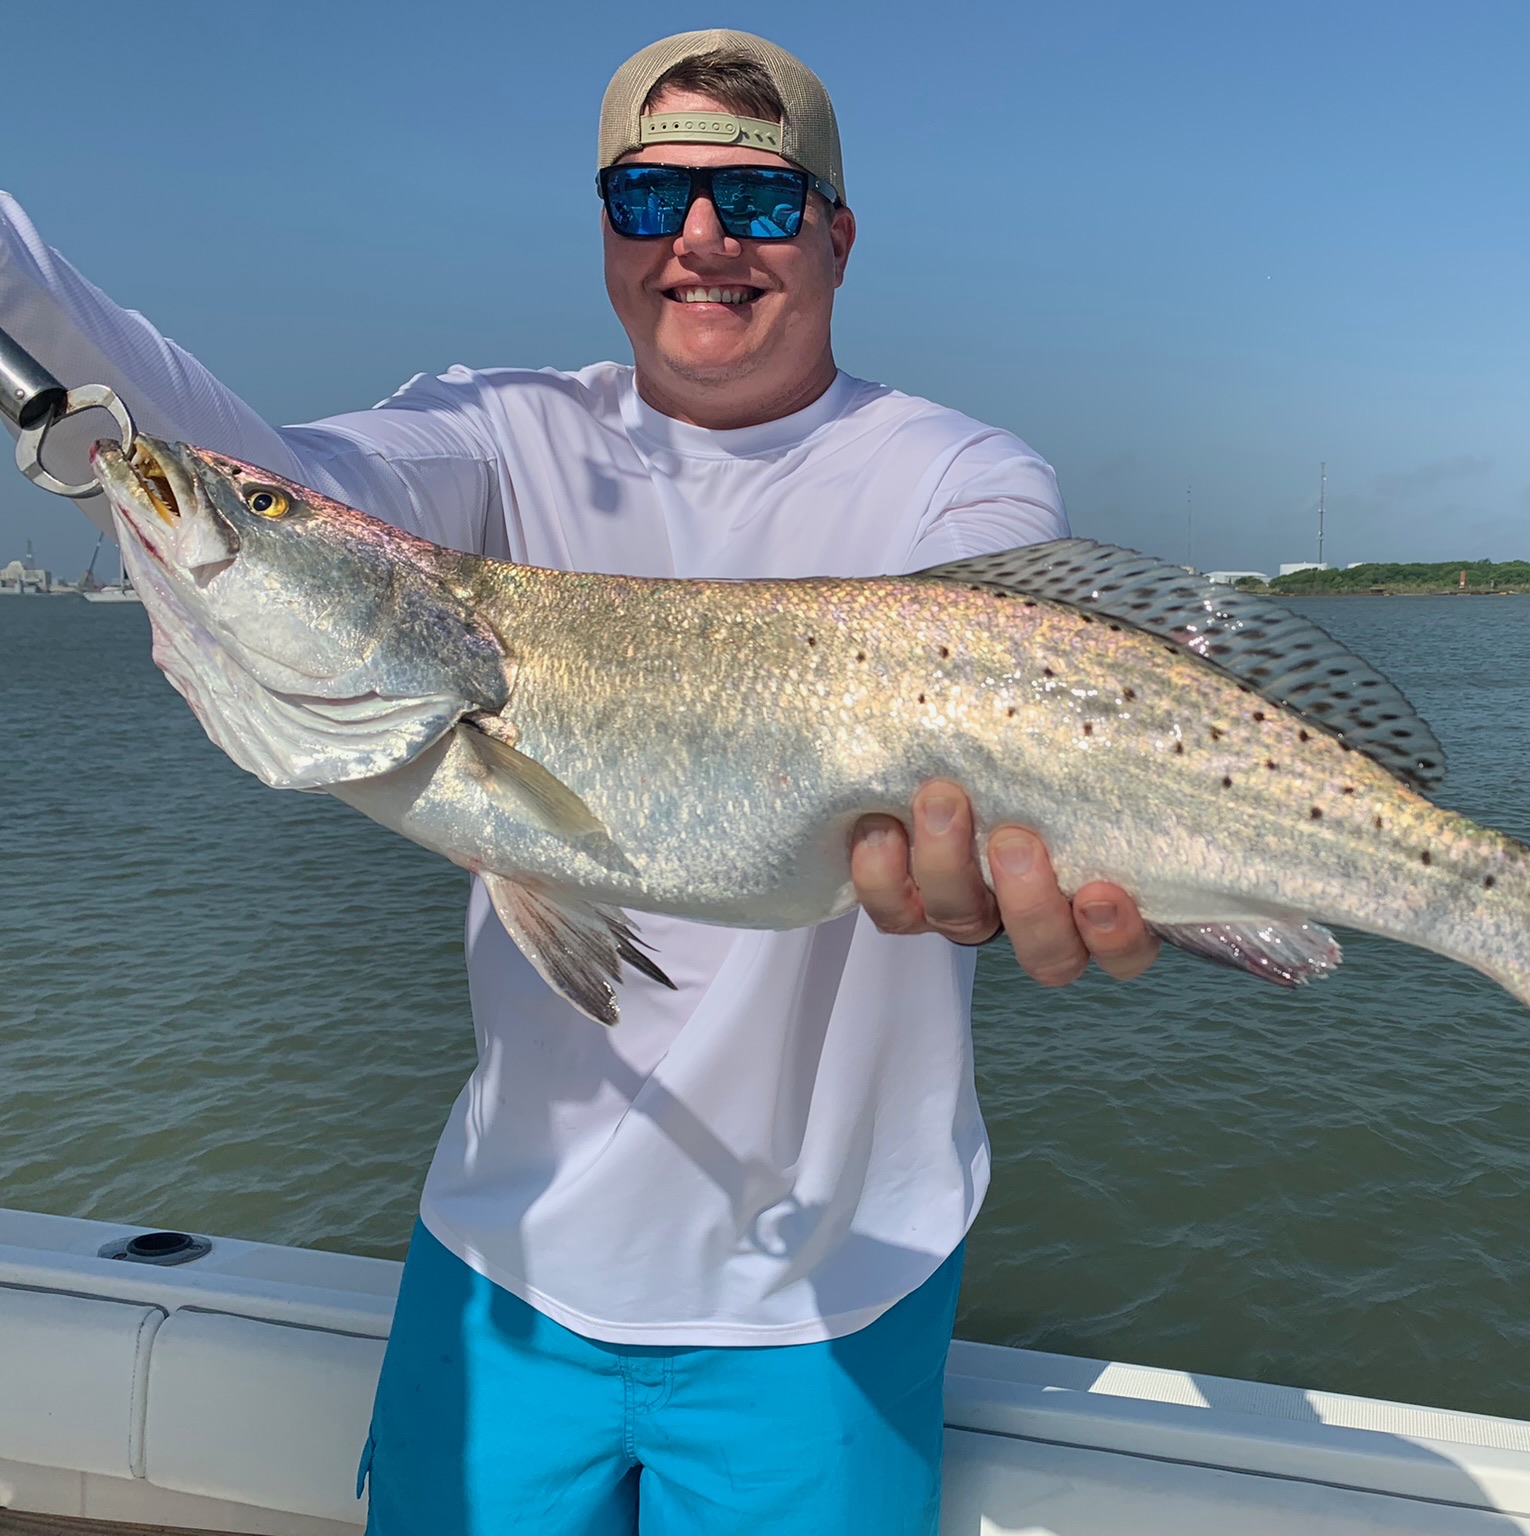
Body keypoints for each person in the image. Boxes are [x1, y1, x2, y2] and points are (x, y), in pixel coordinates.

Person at [0, 28, 1160, 1535]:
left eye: (754, 201)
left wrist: (1022, 863)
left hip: (835, 1293)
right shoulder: (495, 435)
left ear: (837, 233)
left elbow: (1013, 673)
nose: (698, 241)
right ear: (605, 228)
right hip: (505, 1263)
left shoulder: (953, 477)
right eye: (645, 197)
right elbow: (249, 463)